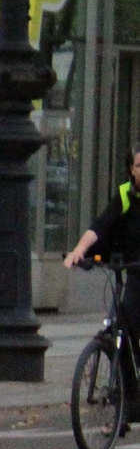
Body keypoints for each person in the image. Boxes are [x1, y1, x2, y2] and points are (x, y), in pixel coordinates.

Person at [63, 146, 140, 369]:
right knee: (121, 323)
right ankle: (128, 394)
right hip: (132, 264)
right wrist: (79, 249)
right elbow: (101, 225)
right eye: (138, 165)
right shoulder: (126, 194)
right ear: (131, 170)